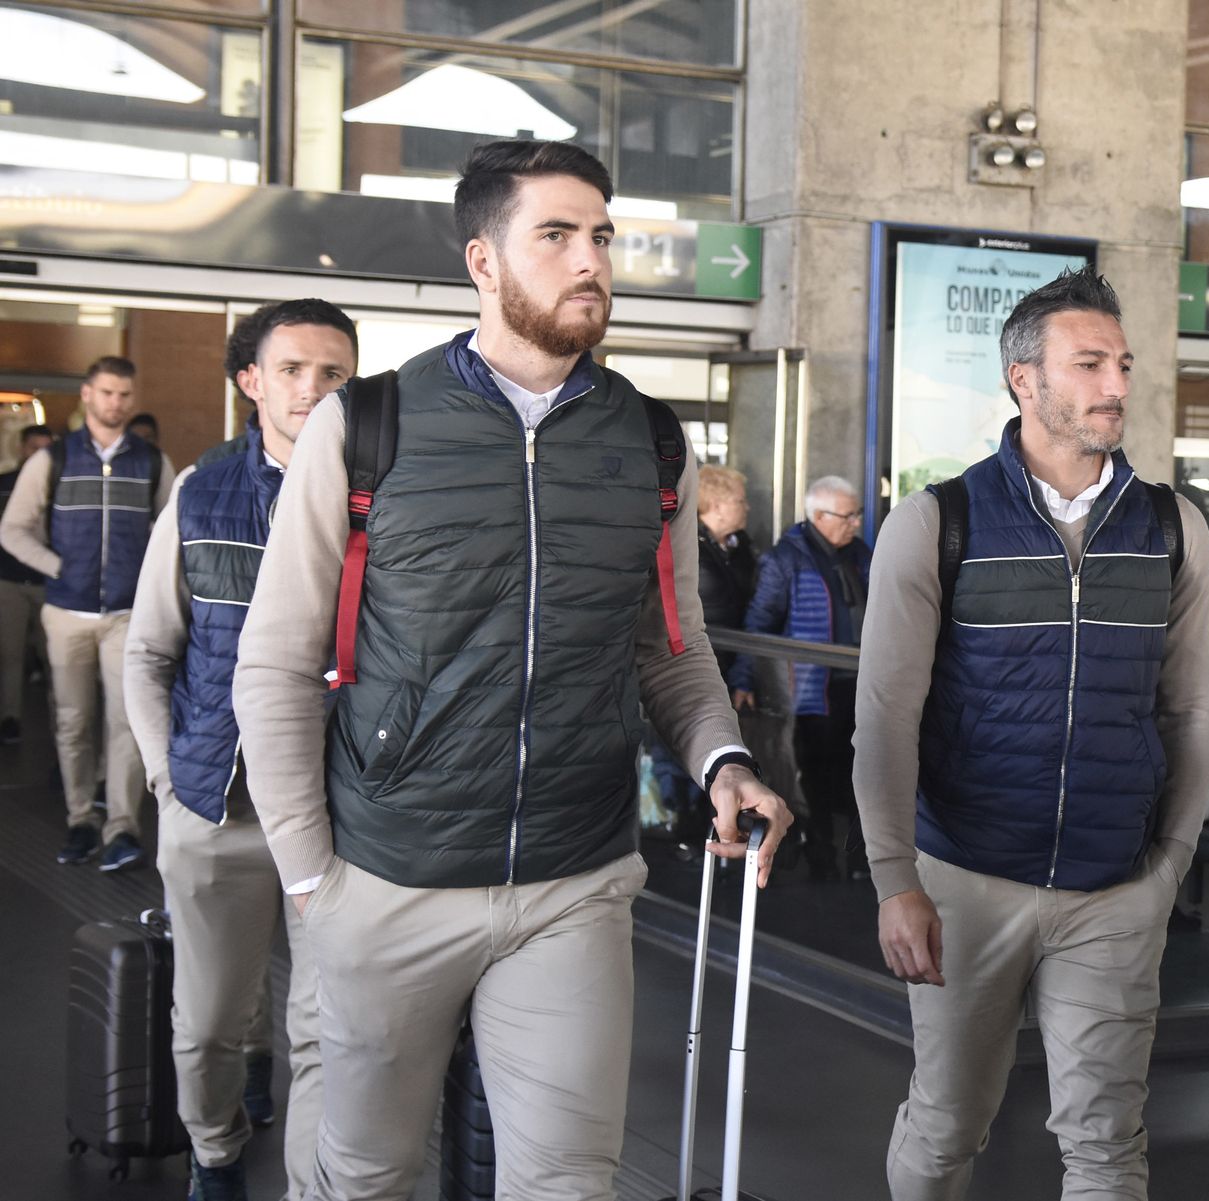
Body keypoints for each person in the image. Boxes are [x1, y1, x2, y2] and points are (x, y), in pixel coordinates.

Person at [230, 139, 791, 1201]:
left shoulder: (651, 443)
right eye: (557, 236)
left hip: (573, 881)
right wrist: (311, 877)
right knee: (362, 1176)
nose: (592, 261)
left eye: (602, 238)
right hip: (389, 876)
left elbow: (668, 648)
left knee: (570, 1182)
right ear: (483, 261)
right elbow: (275, 662)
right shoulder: (369, 426)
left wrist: (722, 760)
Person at [855, 267, 1209, 1200]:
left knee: (1106, 1142)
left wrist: (1167, 864)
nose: (1116, 386)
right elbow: (886, 717)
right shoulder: (939, 522)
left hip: (1114, 889)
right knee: (946, 1126)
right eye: (1088, 363)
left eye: (1123, 364)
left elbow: (1189, 710)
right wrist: (897, 879)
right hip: (966, 880)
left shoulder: (1171, 528)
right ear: (1025, 380)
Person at [124, 299, 358, 1200]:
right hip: (214, 804)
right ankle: (216, 1155)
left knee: (327, 1028)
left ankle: (308, 1183)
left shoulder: (384, 500)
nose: (313, 388)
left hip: (340, 815)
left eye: (334, 372)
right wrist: (164, 778)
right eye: (292, 369)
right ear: (249, 381)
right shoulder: (199, 491)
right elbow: (148, 653)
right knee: (209, 1024)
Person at [0, 356, 174, 870]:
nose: (115, 403)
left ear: (131, 398)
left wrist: (149, 584)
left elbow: (168, 533)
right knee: (73, 721)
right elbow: (13, 529)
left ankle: (122, 828)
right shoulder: (52, 460)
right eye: (106, 393)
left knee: (126, 722)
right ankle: (81, 819)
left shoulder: (150, 461)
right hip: (66, 613)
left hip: (126, 614)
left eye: (124, 394)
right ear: (86, 395)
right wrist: (59, 568)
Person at [732, 474, 871, 880]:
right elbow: (760, 623)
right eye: (848, 516)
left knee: (860, 775)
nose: (856, 523)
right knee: (816, 775)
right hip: (812, 690)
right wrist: (744, 677)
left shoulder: (859, 553)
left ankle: (861, 862)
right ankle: (823, 860)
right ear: (819, 516)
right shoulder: (785, 559)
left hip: (860, 685)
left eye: (857, 514)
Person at [651, 463, 759, 847]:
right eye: (739, 501)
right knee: (676, 746)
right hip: (687, 658)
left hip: (729, 662)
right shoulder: (686, 546)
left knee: (719, 741)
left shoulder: (739, 547)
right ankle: (682, 825)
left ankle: (708, 823)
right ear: (714, 505)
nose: (747, 507)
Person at [0, 423, 54, 743]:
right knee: (10, 655)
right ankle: (10, 717)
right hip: (8, 580)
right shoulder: (5, 484)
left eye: (45, 449)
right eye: (34, 448)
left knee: (54, 659)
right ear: (22, 449)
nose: (39, 455)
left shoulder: (61, 485)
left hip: (50, 582)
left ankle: (59, 724)